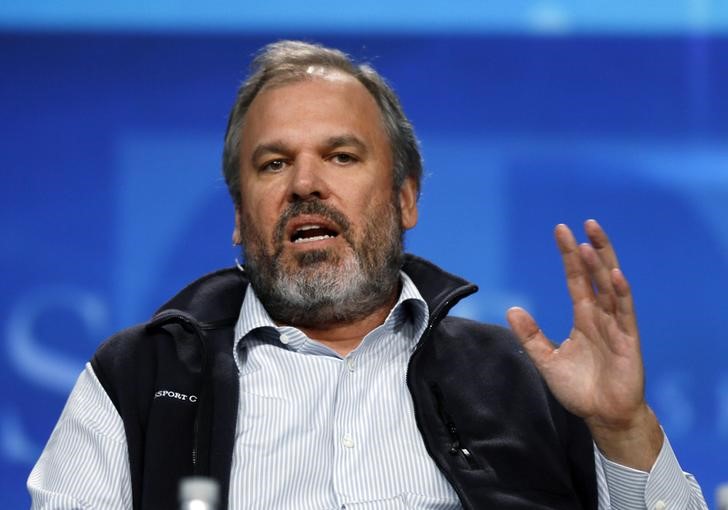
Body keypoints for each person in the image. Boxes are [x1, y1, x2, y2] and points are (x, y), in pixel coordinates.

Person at [28, 40, 707, 509]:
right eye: (272, 164)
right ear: (240, 215)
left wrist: (622, 429)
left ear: (406, 196)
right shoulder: (140, 380)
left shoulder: (525, 380)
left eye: (341, 156)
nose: (304, 184)